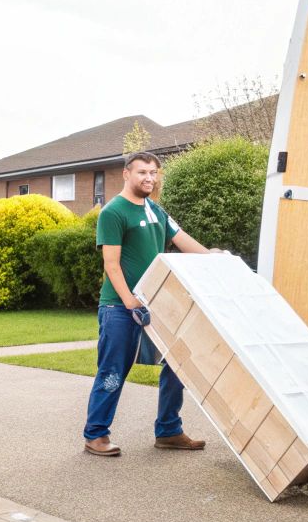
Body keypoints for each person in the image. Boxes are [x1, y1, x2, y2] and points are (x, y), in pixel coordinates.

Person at [83, 151, 220, 457]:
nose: (149, 178)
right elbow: (112, 264)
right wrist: (130, 301)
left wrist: (214, 258)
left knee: (176, 363)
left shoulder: (156, 210)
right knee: (113, 370)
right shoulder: (113, 212)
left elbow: (182, 240)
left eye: (153, 173)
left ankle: (169, 430)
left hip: (157, 303)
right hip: (119, 307)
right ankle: (96, 435)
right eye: (142, 172)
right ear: (126, 174)